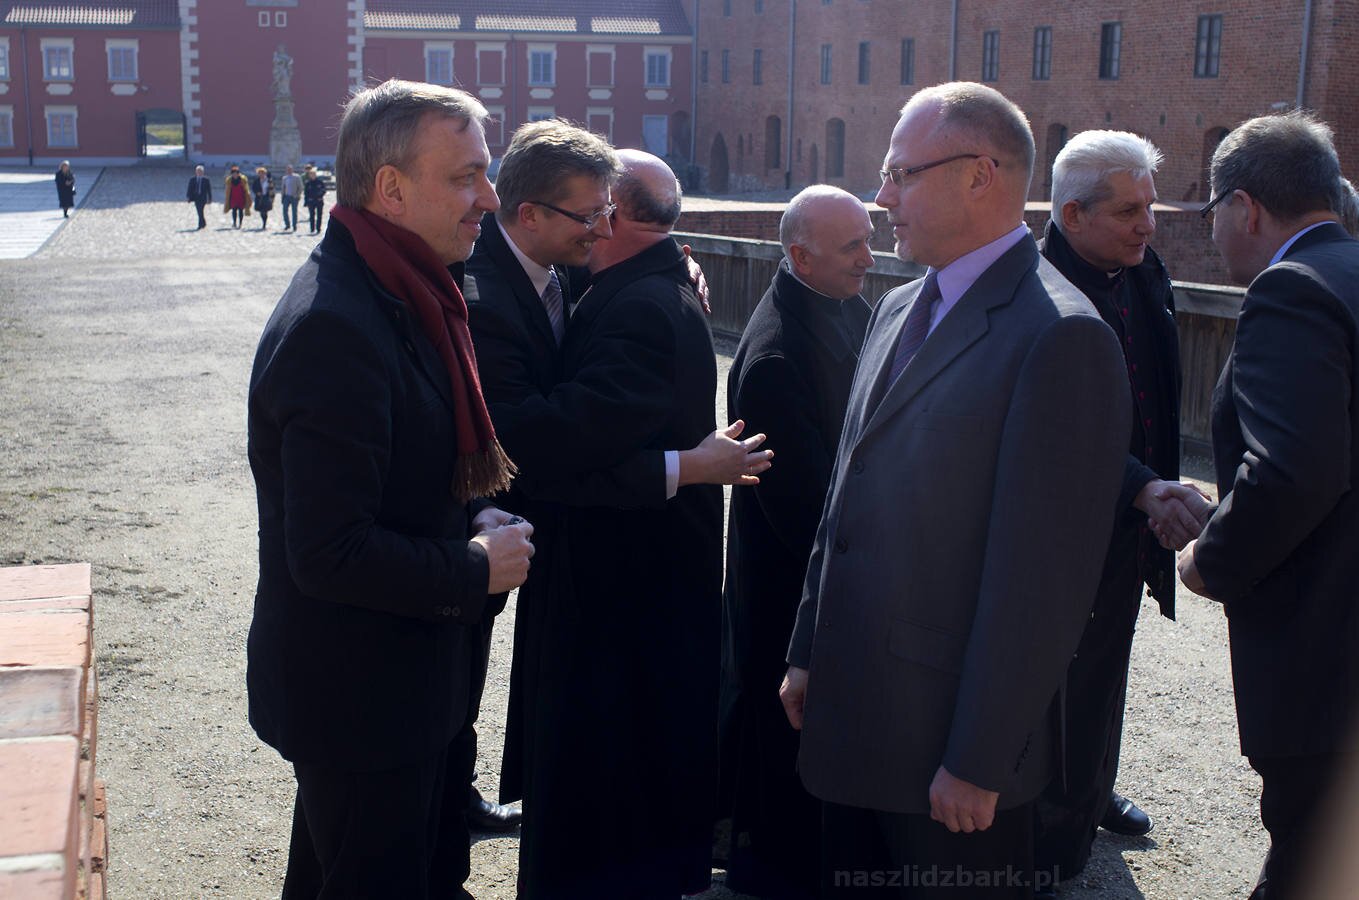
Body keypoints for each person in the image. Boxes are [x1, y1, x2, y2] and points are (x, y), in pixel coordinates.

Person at [779, 82, 1131, 898]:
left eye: (900, 173)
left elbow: (1042, 583)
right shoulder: (898, 306)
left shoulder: (1061, 335)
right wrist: (807, 649)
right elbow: (845, 495)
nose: (881, 197)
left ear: (979, 174)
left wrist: (980, 758)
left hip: (947, 751)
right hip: (852, 711)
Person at [245, 78, 534, 899]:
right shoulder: (337, 324)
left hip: (399, 687)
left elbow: (403, 463)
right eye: (466, 177)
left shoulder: (404, 286)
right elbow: (328, 552)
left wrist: (471, 508)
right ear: (391, 190)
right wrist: (474, 565)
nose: (490, 198)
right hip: (360, 701)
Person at [465, 125, 768, 898]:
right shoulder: (613, 281)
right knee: (610, 766)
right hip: (604, 567)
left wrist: (684, 467)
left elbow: (553, 443)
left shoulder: (637, 303)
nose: (596, 226)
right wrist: (690, 466)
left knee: (606, 773)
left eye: (605, 211)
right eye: (587, 212)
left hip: (620, 578)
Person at [1177, 111, 1359, 900]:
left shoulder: (1291, 289)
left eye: (1210, 209)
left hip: (1326, 656)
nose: (1213, 229)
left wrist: (1207, 559)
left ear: (1243, 208)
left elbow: (1292, 472)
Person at [1033, 130, 1213, 883]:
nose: (1148, 226)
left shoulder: (1144, 270)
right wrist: (1139, 485)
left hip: (1134, 517)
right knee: (1051, 680)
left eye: (1150, 207)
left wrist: (1159, 491)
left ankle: (1089, 787)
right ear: (1072, 215)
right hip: (1061, 531)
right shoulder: (1034, 292)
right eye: (1129, 211)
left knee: (1107, 665)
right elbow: (1052, 432)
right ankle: (1046, 835)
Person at [718, 184, 874, 900]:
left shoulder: (840, 303)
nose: (869, 259)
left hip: (820, 567)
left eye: (869, 240)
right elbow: (803, 506)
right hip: (792, 580)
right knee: (783, 737)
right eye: (853, 247)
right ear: (801, 257)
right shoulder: (777, 356)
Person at [186, 165, 212, 230]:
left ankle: (200, 225)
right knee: (199, 211)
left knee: (201, 210)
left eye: (200, 171)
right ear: (196, 172)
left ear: (203, 172)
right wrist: (188, 197)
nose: (199, 173)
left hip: (203, 198)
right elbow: (189, 188)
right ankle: (203, 223)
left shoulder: (206, 180)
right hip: (196, 198)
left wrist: (210, 198)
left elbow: (209, 190)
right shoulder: (192, 179)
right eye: (198, 171)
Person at [303, 165, 327, 234]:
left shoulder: (320, 182)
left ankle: (318, 228)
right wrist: (306, 202)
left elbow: (324, 190)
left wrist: (320, 195)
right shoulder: (308, 183)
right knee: (312, 215)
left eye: (314, 174)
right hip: (311, 201)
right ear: (310, 175)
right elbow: (306, 193)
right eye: (311, 174)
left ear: (315, 175)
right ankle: (312, 228)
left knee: (319, 215)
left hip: (319, 201)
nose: (312, 175)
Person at [251, 166, 275, 231]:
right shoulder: (256, 180)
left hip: (266, 197)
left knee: (265, 211)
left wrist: (272, 197)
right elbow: (253, 188)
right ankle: (263, 220)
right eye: (260, 173)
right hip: (259, 197)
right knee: (261, 211)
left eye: (262, 173)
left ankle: (264, 223)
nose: (261, 174)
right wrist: (257, 192)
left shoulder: (268, 180)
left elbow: (272, 188)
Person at [280, 164, 302, 232]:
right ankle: (287, 224)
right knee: (285, 211)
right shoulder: (284, 178)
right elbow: (283, 188)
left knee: (294, 212)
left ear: (292, 170)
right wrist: (282, 196)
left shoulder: (297, 177)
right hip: (286, 196)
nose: (289, 170)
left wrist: (297, 195)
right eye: (288, 169)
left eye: (290, 169)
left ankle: (294, 225)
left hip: (294, 197)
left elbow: (300, 187)